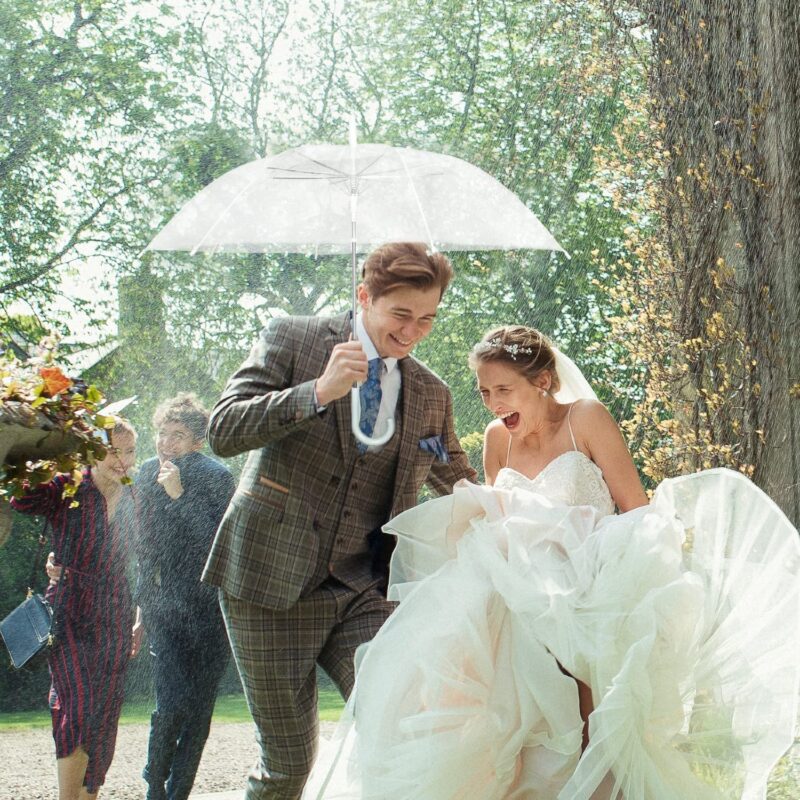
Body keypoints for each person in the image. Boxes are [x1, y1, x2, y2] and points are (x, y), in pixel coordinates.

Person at [302, 325, 800, 800]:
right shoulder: (499, 438)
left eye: (504, 389)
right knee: (501, 721)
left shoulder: (586, 418)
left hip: (591, 589)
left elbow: (636, 510)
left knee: (592, 729)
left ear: (542, 381)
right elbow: (500, 517)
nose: (495, 404)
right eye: (483, 393)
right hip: (519, 598)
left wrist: (599, 576)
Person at [203, 241, 477, 799]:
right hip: (266, 581)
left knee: (403, 722)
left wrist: (524, 514)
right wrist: (318, 391)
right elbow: (223, 430)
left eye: (427, 319)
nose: (412, 332)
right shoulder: (293, 337)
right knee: (288, 765)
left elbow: (459, 480)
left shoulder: (431, 393)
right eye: (400, 314)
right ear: (364, 296)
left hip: (361, 588)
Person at [12, 420, 138, 800]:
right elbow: (21, 498)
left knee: (105, 713)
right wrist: (46, 453)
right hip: (68, 608)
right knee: (78, 704)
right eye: (114, 450)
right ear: (92, 451)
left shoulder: (136, 497)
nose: (122, 460)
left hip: (116, 611)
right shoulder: (68, 484)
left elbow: (149, 558)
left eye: (129, 451)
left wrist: (142, 616)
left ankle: (89, 795)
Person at [133, 394, 236, 800]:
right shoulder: (145, 473)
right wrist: (141, 608)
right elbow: (144, 548)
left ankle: (179, 792)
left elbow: (217, 543)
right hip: (165, 608)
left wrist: (178, 495)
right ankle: (155, 783)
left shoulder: (217, 476)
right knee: (171, 702)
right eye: (162, 433)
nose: (166, 443)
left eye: (177, 436)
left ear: (197, 442)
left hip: (211, 609)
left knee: (198, 711)